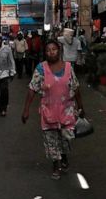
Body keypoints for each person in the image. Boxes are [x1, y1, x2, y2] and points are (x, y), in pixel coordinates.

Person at [22, 39, 85, 180]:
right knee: (51, 141)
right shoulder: (41, 68)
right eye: (48, 50)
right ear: (45, 53)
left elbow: (76, 88)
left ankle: (64, 156)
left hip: (67, 112)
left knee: (65, 139)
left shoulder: (68, 67)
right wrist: (26, 109)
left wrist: (81, 106)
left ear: (59, 51)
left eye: (54, 49)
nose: (51, 52)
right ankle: (55, 165)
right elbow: (32, 88)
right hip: (48, 111)